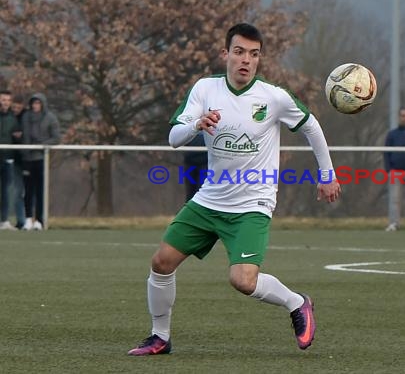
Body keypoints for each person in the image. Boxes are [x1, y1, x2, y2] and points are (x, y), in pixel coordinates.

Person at [128, 23, 341, 356]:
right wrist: (196, 125)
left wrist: (326, 174)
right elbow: (173, 139)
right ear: (225, 54)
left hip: (253, 203)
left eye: (254, 55)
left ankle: (298, 303)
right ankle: (160, 337)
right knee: (161, 262)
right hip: (210, 199)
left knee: (243, 280)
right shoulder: (205, 89)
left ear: (259, 59)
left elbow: (311, 126)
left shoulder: (273, 97)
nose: (246, 60)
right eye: (239, 52)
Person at [21, 93, 61, 231]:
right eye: (33, 103)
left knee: (40, 191)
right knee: (27, 191)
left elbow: (56, 138)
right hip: (27, 159)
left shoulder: (50, 118)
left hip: (41, 159)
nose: (35, 106)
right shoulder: (25, 117)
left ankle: (39, 220)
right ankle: (27, 219)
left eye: (38, 103)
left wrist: (43, 144)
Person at [0, 90, 18, 230]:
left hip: (8, 158)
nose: (5, 102)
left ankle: (4, 220)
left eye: (7, 100)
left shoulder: (13, 118)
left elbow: (17, 134)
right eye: (3, 99)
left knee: (6, 191)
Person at [10, 94, 27, 229]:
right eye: (14, 106)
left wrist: (21, 136)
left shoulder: (27, 118)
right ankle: (21, 221)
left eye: (18, 107)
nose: (15, 109)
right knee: (17, 192)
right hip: (14, 159)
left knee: (27, 192)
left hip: (27, 160)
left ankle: (30, 220)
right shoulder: (9, 117)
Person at [182, 133, 208, 201]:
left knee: (201, 189)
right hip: (190, 161)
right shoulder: (189, 124)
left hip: (206, 162)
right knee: (190, 191)